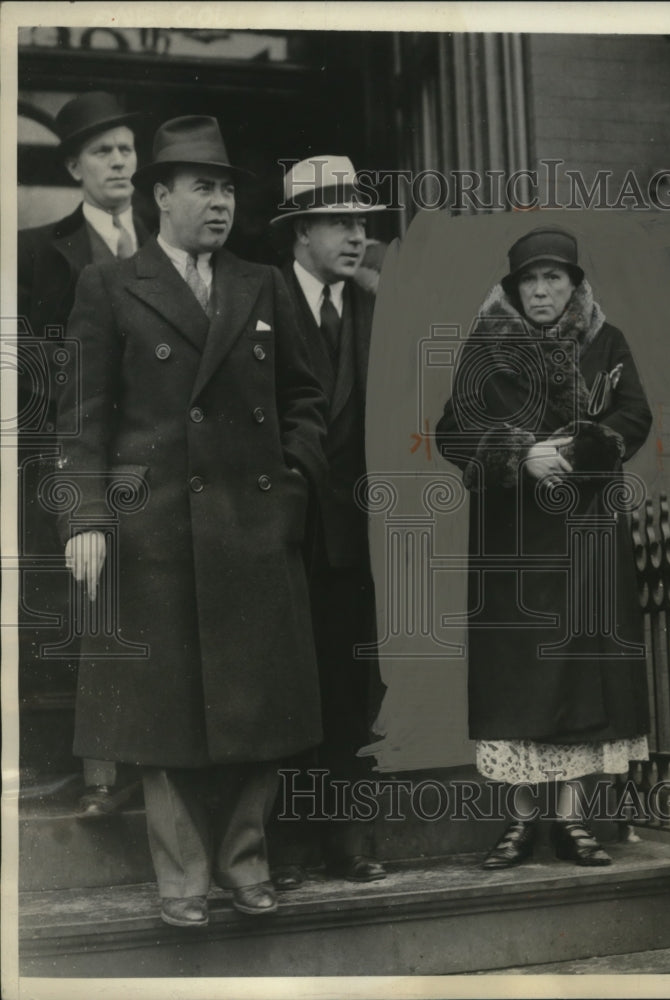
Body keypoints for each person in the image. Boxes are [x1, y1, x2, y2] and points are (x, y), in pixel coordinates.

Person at [55, 116, 328, 927]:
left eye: (228, 187)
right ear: (161, 196)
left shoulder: (261, 282)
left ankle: (246, 862)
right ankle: (181, 879)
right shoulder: (110, 286)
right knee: (161, 718)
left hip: (254, 528)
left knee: (264, 708)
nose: (219, 202)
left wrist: (292, 486)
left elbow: (306, 399)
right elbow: (80, 420)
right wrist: (86, 517)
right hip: (156, 538)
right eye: (203, 186)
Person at [436, 225, 652, 868]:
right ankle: (520, 821)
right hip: (515, 544)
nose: (541, 290)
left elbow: (633, 417)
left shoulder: (606, 343)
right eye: (530, 280)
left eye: (553, 278)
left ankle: (573, 820)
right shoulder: (486, 350)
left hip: (585, 532)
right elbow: (452, 433)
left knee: (583, 672)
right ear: (514, 288)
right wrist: (519, 454)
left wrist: (579, 448)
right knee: (519, 677)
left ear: (574, 285)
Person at [18, 91, 150, 818]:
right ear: (73, 166)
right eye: (102, 151)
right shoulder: (44, 252)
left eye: (126, 148)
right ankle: (103, 776)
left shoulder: (171, 243)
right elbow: (37, 374)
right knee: (94, 613)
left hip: (160, 464)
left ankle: (152, 765)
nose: (118, 162)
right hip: (87, 464)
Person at [268, 156, 387, 886]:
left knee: (351, 692)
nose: (354, 237)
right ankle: (284, 843)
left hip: (357, 541)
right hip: (279, 536)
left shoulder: (376, 307)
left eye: (361, 225)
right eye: (340, 223)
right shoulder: (259, 294)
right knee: (284, 693)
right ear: (302, 229)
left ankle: (344, 838)